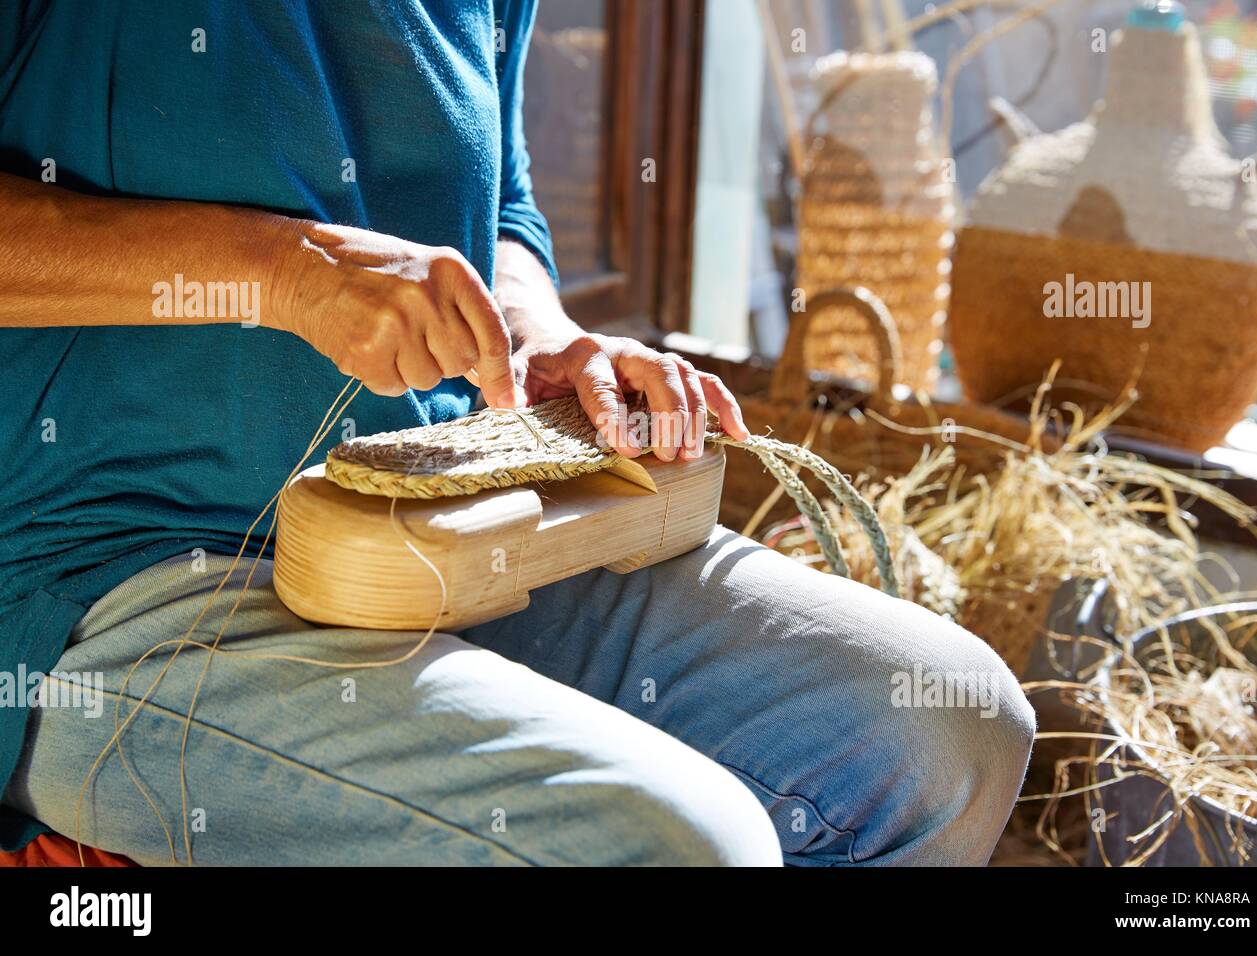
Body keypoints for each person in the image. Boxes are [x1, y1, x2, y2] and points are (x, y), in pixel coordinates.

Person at [0, 0, 1033, 866]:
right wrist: (285, 270)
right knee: (684, 844)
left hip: (439, 520)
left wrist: (539, 341)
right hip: (102, 574)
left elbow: (499, 207)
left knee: (949, 731)